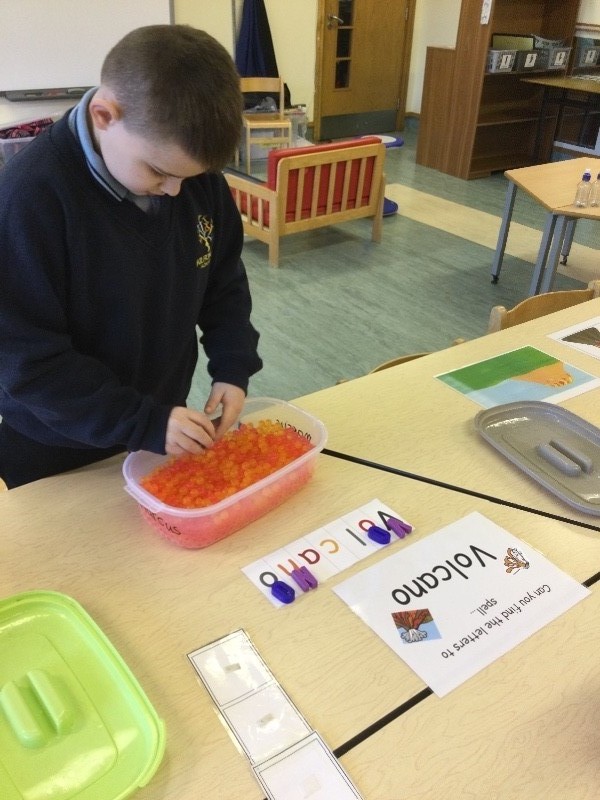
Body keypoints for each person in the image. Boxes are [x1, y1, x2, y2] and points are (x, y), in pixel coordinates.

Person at [0, 25, 262, 488]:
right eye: (159, 172)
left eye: (191, 177)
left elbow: (222, 281)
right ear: (104, 116)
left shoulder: (191, 176)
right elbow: (27, 360)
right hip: (56, 443)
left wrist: (233, 365)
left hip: (158, 424)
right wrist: (142, 421)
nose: (176, 191)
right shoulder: (28, 199)